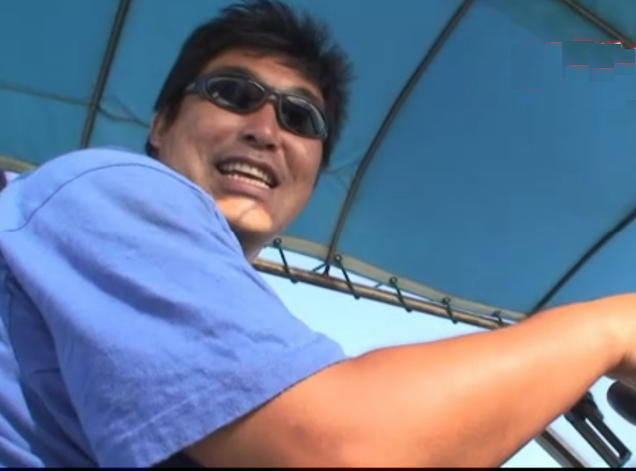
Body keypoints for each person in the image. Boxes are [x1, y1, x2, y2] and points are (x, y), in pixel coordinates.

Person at [0, 0, 635, 467]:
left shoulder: (238, 322)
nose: (266, 130)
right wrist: (609, 329)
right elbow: (343, 449)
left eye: (300, 118)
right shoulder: (109, 189)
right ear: (161, 123)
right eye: (233, 93)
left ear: (312, 174)